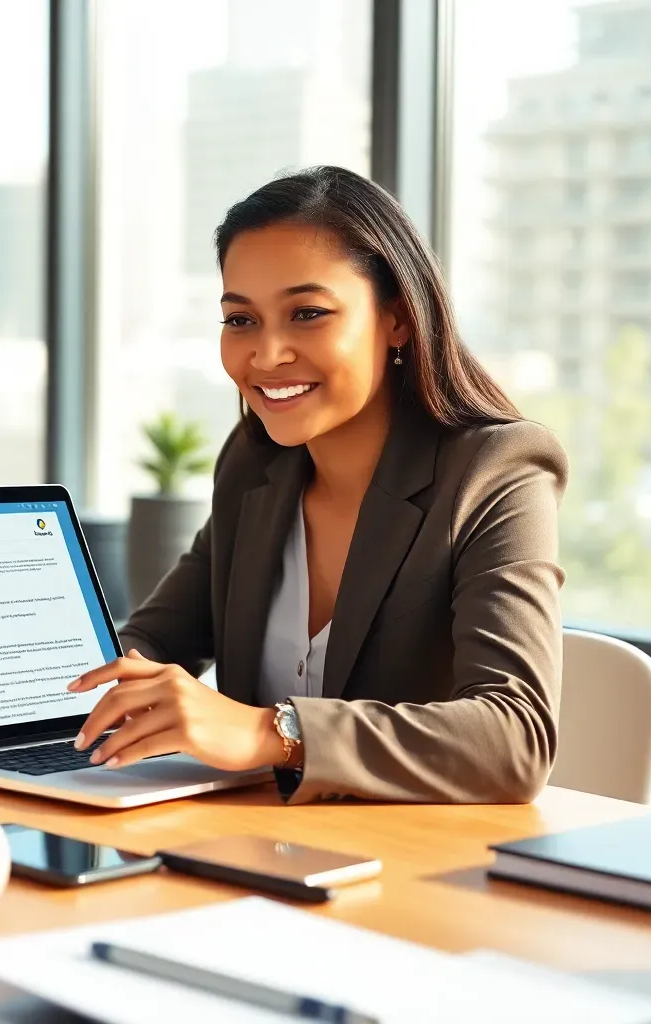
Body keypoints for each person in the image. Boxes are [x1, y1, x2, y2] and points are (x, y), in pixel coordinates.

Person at [69, 165, 568, 804]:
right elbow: (155, 642)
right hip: (251, 847)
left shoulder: (497, 470)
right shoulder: (255, 464)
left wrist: (270, 732)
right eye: (240, 319)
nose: (267, 354)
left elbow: (515, 738)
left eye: (308, 313)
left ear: (398, 319)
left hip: (416, 872)